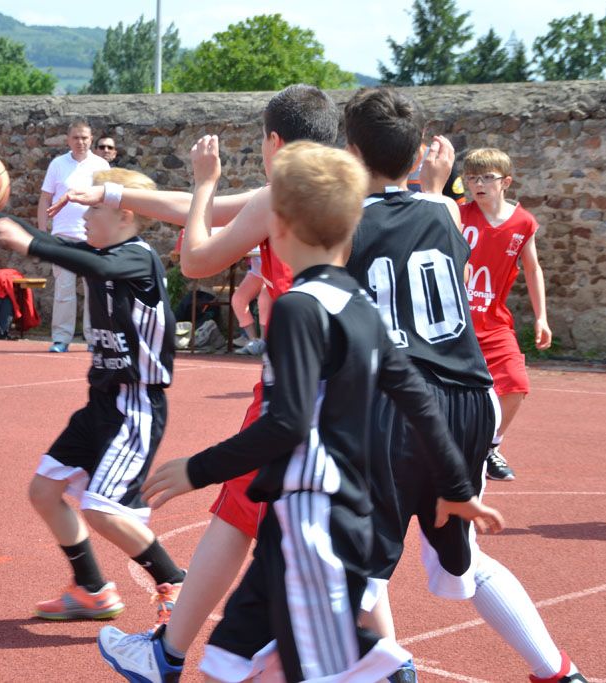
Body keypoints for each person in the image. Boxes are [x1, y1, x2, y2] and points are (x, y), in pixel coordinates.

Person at [100, 139, 504, 682]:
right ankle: (377, 663)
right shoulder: (360, 306)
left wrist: (198, 469)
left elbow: (286, 423)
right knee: (230, 659)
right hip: (321, 515)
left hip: (315, 520)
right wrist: (457, 486)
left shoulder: (296, 309)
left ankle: (384, 666)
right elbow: (417, 401)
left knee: (295, 661)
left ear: (281, 231)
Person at [85, 85, 351, 674]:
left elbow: (196, 257)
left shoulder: (281, 194)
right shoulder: (348, 189)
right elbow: (194, 208)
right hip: (359, 384)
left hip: (296, 384)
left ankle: (166, 654)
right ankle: (383, 655)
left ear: (273, 141)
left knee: (240, 518)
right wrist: (111, 192)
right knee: (337, 529)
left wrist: (205, 180)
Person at [343, 88, 586, 683]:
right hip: (469, 400)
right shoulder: (445, 213)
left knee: (347, 560)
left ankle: (387, 667)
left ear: (350, 151)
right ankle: (557, 671)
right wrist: (431, 181)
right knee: (463, 558)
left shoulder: (341, 221)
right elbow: (422, 205)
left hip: (394, 409)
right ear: (418, 157)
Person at [0, 167, 187, 624]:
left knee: (102, 511)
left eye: (94, 208)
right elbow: (39, 236)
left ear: (124, 214)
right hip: (101, 403)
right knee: (44, 491)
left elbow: (92, 265)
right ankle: (91, 589)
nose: (84, 216)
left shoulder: (137, 258)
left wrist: (32, 247)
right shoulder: (100, 252)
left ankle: (174, 580)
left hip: (135, 404)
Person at [460, 148, 551, 481]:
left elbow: (533, 268)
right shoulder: (457, 214)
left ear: (506, 182)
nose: (478, 184)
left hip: (493, 320)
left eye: (487, 177)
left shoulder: (523, 222)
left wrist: (541, 317)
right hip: (456, 321)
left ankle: (490, 448)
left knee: (516, 383)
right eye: (472, 178)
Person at [38, 118, 110, 352]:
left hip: (93, 237)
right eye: (76, 138)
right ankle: (61, 339)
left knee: (95, 291)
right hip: (63, 237)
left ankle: (94, 339)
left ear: (91, 139)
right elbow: (45, 199)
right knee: (64, 291)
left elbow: (109, 199)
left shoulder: (101, 165)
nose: (81, 142)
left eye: (85, 138)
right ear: (68, 140)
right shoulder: (58, 164)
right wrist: (42, 231)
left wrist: (108, 233)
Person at [230, 254, 271, 356]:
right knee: (238, 300)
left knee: (264, 299)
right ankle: (253, 341)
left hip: (274, 271)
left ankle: (264, 341)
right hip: (257, 272)